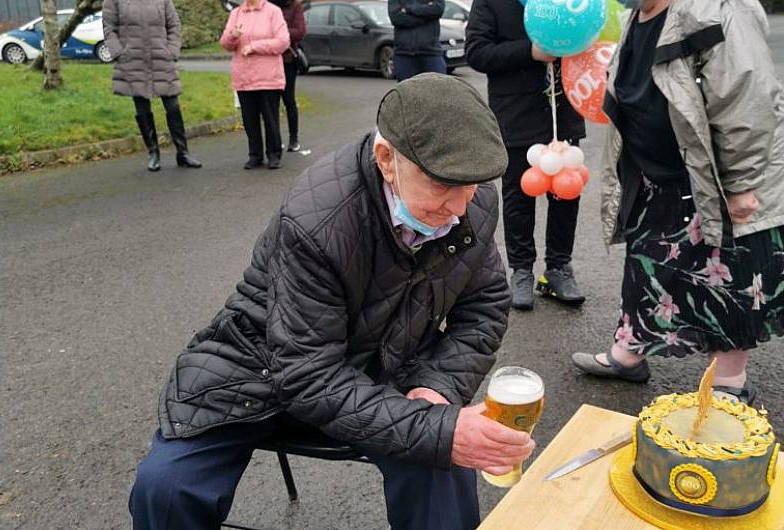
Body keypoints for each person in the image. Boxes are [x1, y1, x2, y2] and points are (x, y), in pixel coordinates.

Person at [128, 73, 536, 530]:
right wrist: (435, 428)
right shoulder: (318, 219)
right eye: (444, 185)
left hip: (383, 369)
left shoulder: (469, 197)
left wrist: (438, 386)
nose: (461, 207)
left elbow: (484, 305)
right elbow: (306, 375)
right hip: (260, 374)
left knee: (441, 459)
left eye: (473, 186)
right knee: (165, 488)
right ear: (387, 160)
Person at [571, 0, 784, 404]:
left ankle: (730, 382)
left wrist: (739, 185)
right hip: (659, 175)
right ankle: (628, 353)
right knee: (645, 264)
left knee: (727, 274)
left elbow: (746, 101)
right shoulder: (638, 16)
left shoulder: (716, 9)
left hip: (714, 176)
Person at [465, 0, 587, 311]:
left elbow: (587, 38)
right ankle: (521, 270)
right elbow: (477, 52)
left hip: (564, 110)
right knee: (519, 197)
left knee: (566, 194)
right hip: (516, 114)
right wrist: (529, 51)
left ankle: (559, 268)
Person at [102, 0, 202, 172]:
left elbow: (174, 24)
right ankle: (153, 153)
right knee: (142, 107)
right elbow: (109, 28)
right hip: (133, 60)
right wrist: (119, 52)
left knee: (173, 106)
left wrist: (171, 51)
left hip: (161, 58)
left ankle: (183, 153)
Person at [220, 0, 290, 170]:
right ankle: (255, 155)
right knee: (249, 119)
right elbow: (225, 44)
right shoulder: (236, 13)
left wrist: (254, 46)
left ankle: (274, 154)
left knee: (270, 118)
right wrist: (233, 36)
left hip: (268, 77)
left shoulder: (273, 11)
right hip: (244, 76)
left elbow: (283, 41)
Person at [271, 0, 306, 152]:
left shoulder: (294, 6)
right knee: (271, 103)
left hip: (287, 60)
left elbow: (300, 31)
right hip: (268, 60)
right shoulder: (267, 6)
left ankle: (294, 139)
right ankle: (275, 140)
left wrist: (280, 31)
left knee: (288, 100)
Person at [388, 0, 446, 81]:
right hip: (404, 54)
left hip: (431, 53)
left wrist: (408, 9)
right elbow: (396, 18)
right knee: (407, 92)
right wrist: (426, 18)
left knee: (438, 88)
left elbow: (437, 9)